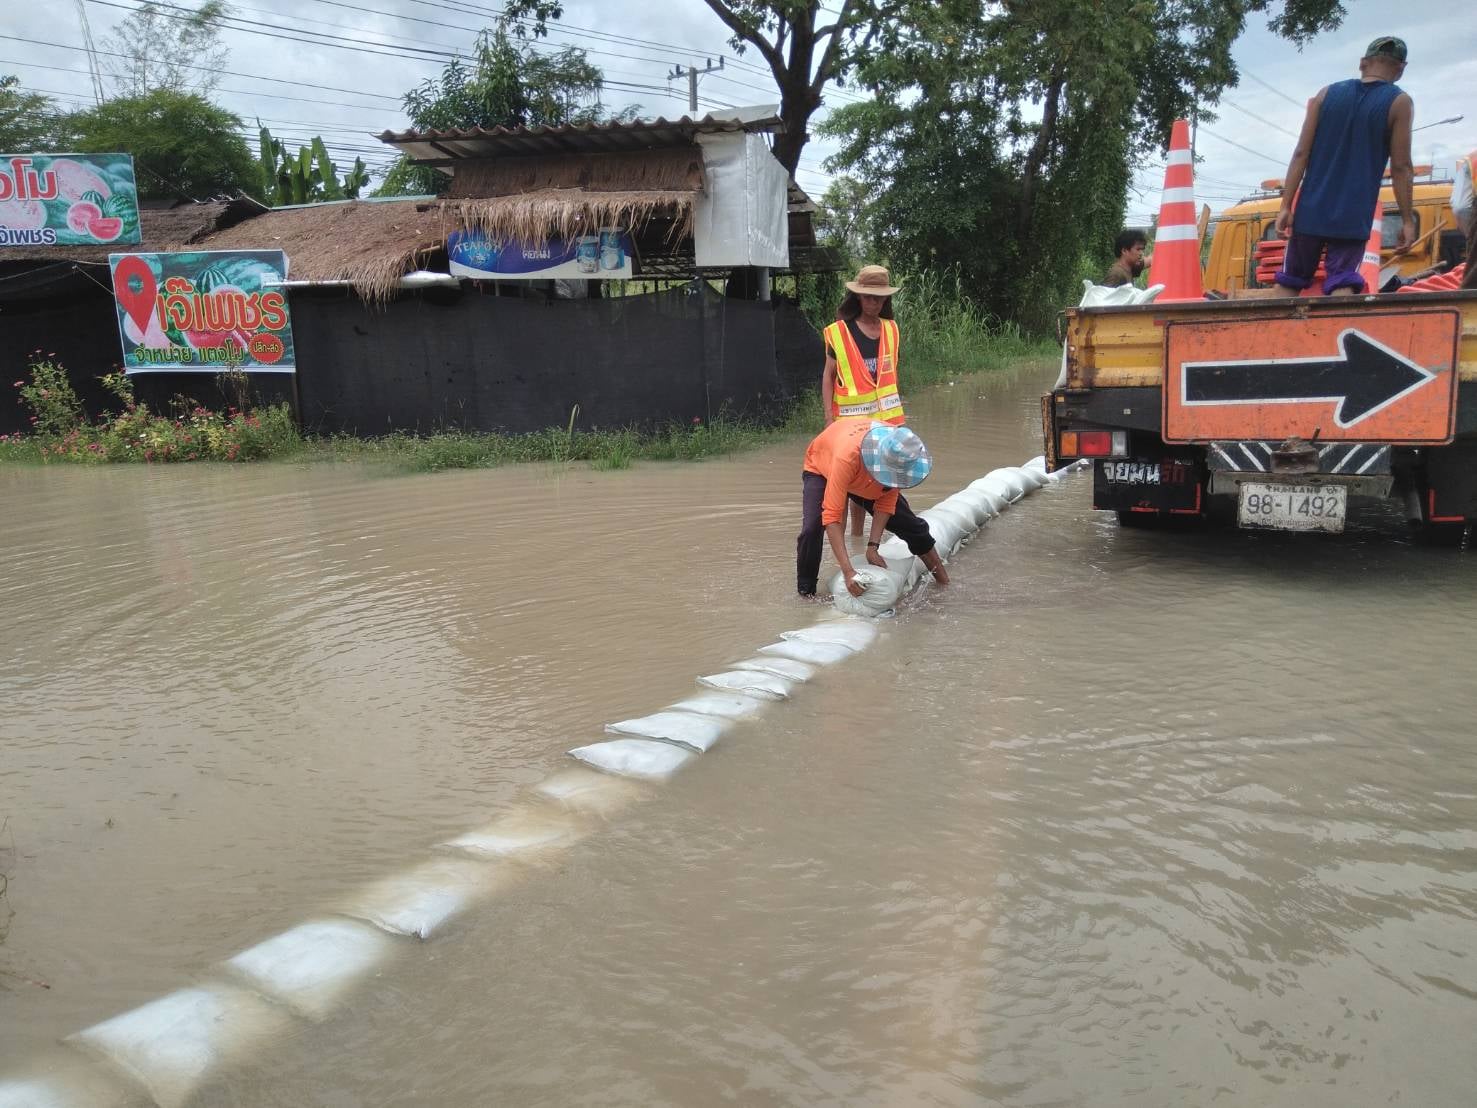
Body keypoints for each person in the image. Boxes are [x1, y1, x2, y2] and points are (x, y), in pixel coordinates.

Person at [1274, 36, 1415, 296]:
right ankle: (1336, 323)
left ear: (1363, 63)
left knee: (1290, 279)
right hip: (1353, 214)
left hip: (1310, 209)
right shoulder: (1399, 103)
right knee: (1343, 281)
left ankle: (1273, 325)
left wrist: (1285, 205)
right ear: (1401, 68)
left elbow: (1301, 153)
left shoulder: (1326, 94)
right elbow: (1401, 167)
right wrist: (1407, 220)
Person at [796, 419, 948, 599]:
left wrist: (873, 547)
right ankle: (806, 594)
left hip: (862, 476)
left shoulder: (902, 449)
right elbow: (832, 516)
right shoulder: (848, 456)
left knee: (911, 526)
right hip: (822, 467)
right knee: (812, 528)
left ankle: (944, 583)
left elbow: (886, 503)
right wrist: (848, 571)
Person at [822, 264, 905, 535]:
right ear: (858, 296)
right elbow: (828, 376)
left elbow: (891, 376)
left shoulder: (891, 330)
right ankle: (848, 541)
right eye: (869, 297)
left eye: (880, 298)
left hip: (886, 424)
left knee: (879, 483)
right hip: (849, 424)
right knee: (845, 484)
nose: (874, 303)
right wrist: (828, 419)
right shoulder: (839, 333)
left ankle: (861, 539)